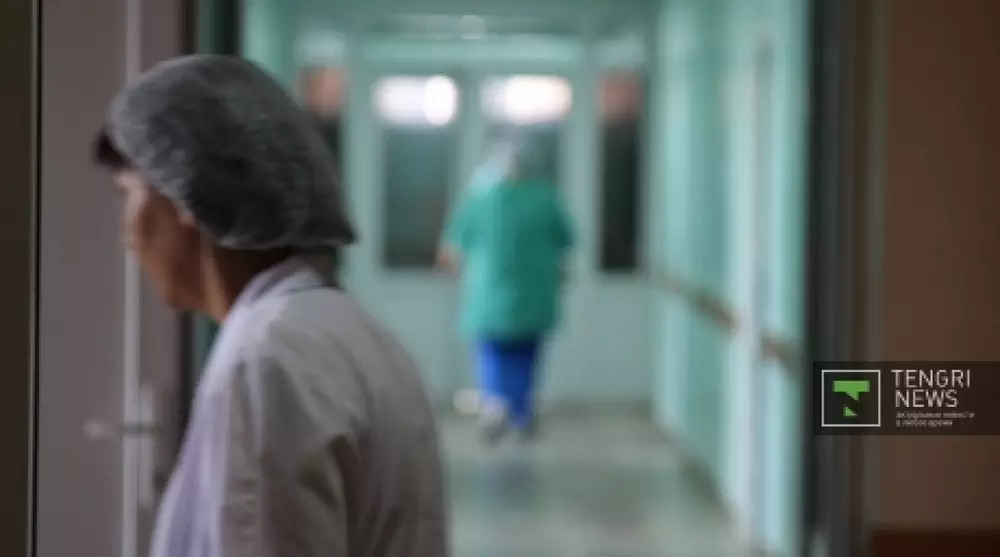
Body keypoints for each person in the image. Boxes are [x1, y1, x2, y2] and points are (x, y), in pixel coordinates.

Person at [93, 54, 448, 557]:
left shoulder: (267, 360)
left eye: (129, 194)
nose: (128, 235)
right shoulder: (352, 334)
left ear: (186, 196)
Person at [437, 138, 574, 444]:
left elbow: (451, 249)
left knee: (492, 352)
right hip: (535, 295)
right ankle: (522, 412)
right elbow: (566, 240)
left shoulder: (481, 199)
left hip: (488, 296)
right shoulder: (545, 199)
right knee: (527, 354)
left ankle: (495, 407)